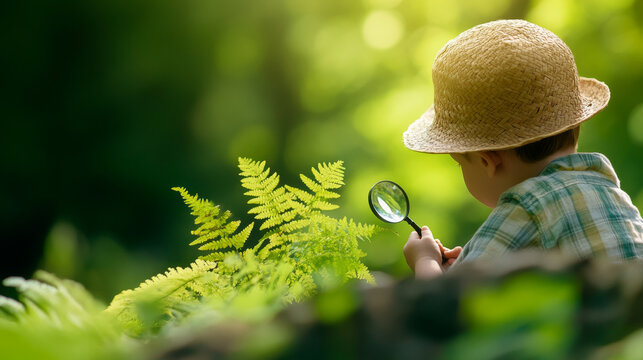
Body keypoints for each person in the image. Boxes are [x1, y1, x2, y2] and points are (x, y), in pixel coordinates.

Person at [401, 19, 643, 279]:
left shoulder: (523, 208)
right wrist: (475, 264)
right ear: (574, 125)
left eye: (460, 162)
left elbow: (444, 312)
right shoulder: (608, 191)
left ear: (487, 161)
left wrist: (425, 261)